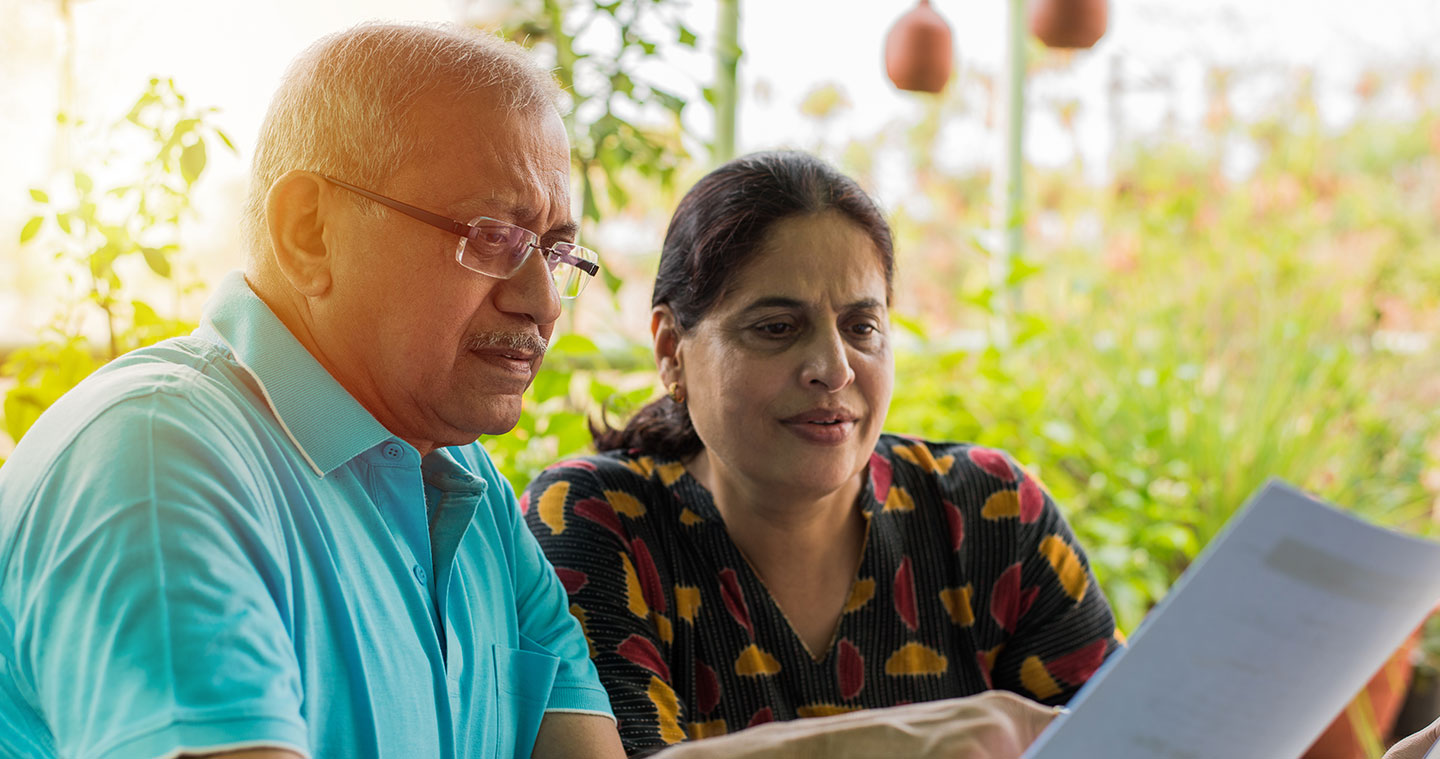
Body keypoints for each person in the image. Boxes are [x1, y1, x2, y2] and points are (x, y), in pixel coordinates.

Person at [0, 23, 624, 759]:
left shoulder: (469, 486)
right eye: (493, 236)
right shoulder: (158, 459)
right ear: (308, 232)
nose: (543, 302)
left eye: (554, 253)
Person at [521, 151, 1120, 756]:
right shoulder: (599, 520)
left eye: (861, 327)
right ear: (672, 349)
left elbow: (1144, 733)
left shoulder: (990, 516)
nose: (833, 369)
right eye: (777, 327)